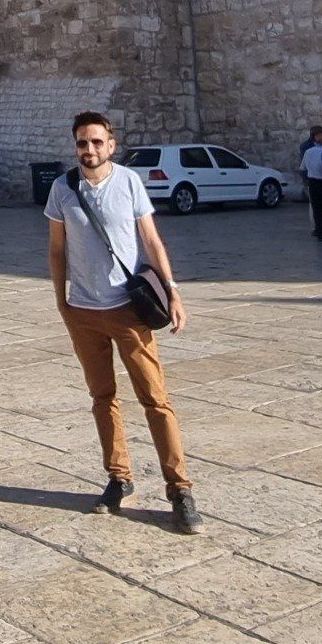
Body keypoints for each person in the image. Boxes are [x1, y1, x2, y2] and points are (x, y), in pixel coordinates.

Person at [45, 110, 201, 535]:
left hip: (128, 310)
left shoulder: (129, 182)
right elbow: (57, 250)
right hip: (83, 312)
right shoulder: (62, 189)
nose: (89, 149)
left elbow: (150, 239)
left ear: (111, 145)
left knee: (156, 399)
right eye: (82, 142)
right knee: (102, 397)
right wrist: (61, 301)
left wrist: (173, 290)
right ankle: (119, 477)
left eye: (97, 142)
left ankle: (180, 489)